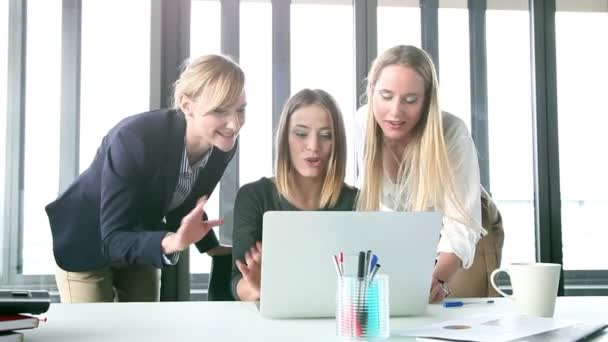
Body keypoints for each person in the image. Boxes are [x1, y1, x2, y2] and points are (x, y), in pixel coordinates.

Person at [46, 54, 246, 303]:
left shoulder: (222, 144)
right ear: (186, 105)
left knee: (145, 326)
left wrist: (210, 247)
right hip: (87, 239)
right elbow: (113, 238)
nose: (234, 124)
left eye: (240, 109)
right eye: (220, 110)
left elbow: (186, 201)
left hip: (141, 237)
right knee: (94, 332)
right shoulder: (133, 139)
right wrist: (174, 241)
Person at [354, 45, 485, 303]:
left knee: (454, 313)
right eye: (386, 96)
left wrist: (437, 279)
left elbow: (461, 226)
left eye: (410, 100)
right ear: (371, 92)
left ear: (427, 101)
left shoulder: (452, 134)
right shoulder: (361, 125)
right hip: (404, 232)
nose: (395, 111)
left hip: (464, 228)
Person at [231, 89, 358, 301]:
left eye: (326, 135)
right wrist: (259, 287)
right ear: (285, 139)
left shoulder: (355, 201)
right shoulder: (254, 196)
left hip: (335, 319)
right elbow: (238, 282)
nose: (313, 146)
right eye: (301, 134)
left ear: (337, 143)